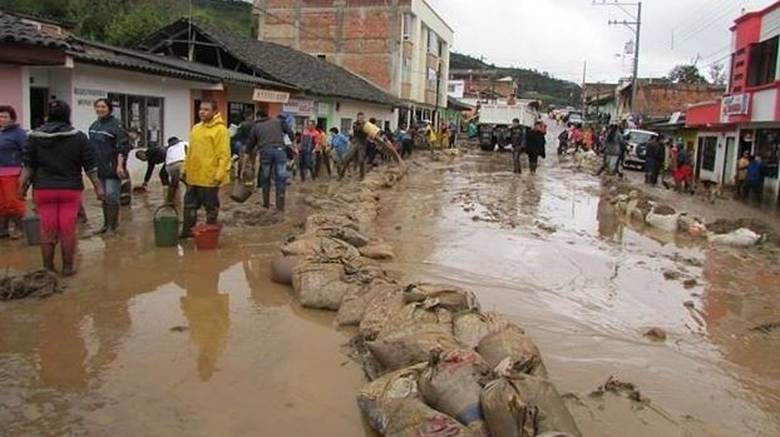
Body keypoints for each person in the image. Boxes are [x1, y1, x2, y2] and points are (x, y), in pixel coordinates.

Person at [18, 100, 104, 275]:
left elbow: (28, 165)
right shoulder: (79, 137)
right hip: (70, 190)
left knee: (47, 229)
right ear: (68, 115)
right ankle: (67, 267)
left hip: (43, 189)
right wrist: (98, 188)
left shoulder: (34, 137)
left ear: (48, 116)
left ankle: (48, 268)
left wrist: (21, 188)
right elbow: (90, 166)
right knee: (67, 229)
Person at [180, 101, 231, 238]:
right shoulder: (196, 128)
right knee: (189, 205)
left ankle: (209, 234)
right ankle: (187, 232)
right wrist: (184, 168)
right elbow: (190, 151)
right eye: (201, 109)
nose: (202, 112)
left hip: (210, 177)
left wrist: (219, 175)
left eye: (206, 109)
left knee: (211, 208)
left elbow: (224, 155)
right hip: (193, 175)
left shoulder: (220, 130)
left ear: (215, 112)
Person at [88, 98, 129, 235]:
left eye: (103, 107)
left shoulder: (116, 126)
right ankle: (105, 225)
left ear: (109, 109)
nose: (100, 109)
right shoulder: (93, 126)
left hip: (113, 166)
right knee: (103, 196)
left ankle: (113, 226)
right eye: (98, 106)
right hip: (98, 166)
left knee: (112, 195)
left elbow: (122, 148)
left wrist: (120, 166)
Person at [244, 108, 293, 211]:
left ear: (258, 117)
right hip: (280, 151)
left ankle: (266, 205)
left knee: (265, 178)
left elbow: (250, 144)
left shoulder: (256, 126)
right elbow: (290, 132)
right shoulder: (278, 121)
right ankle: (280, 207)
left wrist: (245, 160)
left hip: (265, 152)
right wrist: (293, 142)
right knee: (281, 179)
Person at [0, 105, 27, 239]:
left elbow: (26, 153)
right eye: (0, 116)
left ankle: (19, 228)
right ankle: (3, 229)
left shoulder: (19, 133)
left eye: (5, 117)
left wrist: (24, 174)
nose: (2, 119)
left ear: (12, 118)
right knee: (2, 203)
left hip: (13, 172)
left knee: (13, 201)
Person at [164, 136, 187, 205]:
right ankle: (193, 201)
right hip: (181, 163)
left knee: (173, 184)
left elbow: (166, 161)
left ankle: (169, 201)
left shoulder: (169, 148)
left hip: (170, 166)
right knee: (189, 183)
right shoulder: (184, 143)